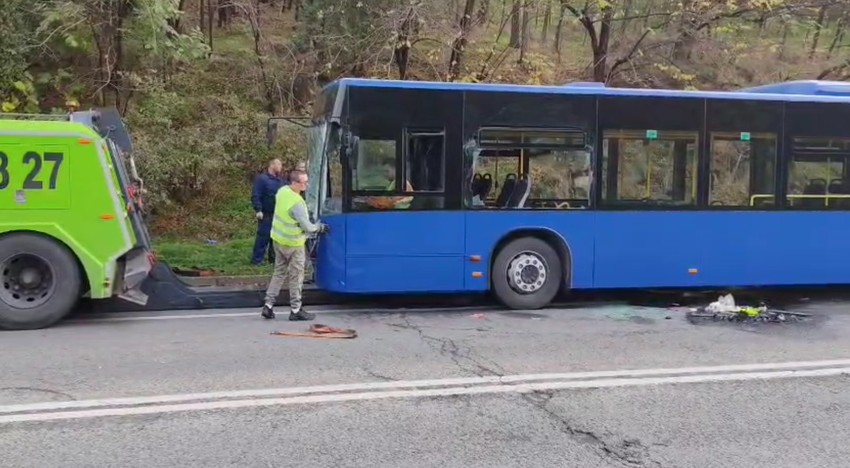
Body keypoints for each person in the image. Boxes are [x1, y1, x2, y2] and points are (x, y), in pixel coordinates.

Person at [261, 169, 329, 321]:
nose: (306, 184)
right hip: (293, 244)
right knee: (296, 277)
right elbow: (308, 227)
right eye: (304, 182)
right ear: (294, 183)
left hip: (278, 241)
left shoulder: (282, 192)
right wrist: (321, 227)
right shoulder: (298, 203)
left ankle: (268, 305)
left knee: (279, 272)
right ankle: (296, 309)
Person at [250, 159, 284, 265]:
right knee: (263, 237)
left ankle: (273, 259)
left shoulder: (280, 181)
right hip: (266, 213)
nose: (280, 167)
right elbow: (256, 195)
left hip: (278, 214)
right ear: (272, 165)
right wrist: (258, 209)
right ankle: (257, 260)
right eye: (279, 164)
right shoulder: (262, 179)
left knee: (275, 238)